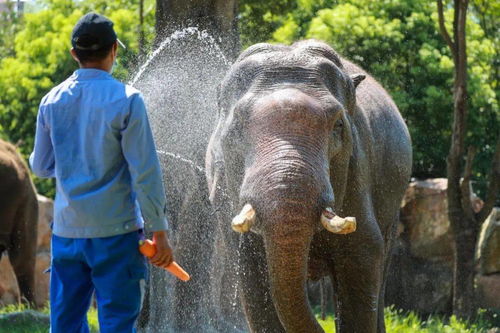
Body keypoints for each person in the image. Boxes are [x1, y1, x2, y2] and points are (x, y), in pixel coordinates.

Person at [29, 12, 173, 333]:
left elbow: (40, 166)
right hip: (117, 235)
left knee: (64, 325)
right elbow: (145, 171)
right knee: (118, 324)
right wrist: (159, 233)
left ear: (73, 54)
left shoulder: (50, 101)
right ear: (114, 51)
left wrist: (72, 163)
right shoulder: (128, 99)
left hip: (67, 234)